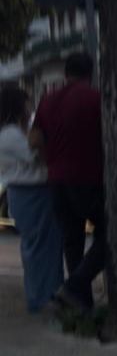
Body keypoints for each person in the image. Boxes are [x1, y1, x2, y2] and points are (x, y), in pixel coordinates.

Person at [30, 52, 105, 311]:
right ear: (90, 74)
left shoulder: (48, 99)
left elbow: (34, 140)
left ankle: (82, 305)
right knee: (112, 234)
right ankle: (74, 287)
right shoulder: (96, 98)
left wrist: (50, 160)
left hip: (56, 180)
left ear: (65, 73)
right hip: (88, 178)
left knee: (72, 241)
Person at [0, 86, 64, 313]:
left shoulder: (14, 133)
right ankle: (42, 297)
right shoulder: (11, 134)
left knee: (38, 246)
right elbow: (36, 156)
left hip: (26, 193)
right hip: (31, 192)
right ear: (18, 106)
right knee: (40, 247)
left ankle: (43, 295)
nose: (31, 108)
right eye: (28, 103)